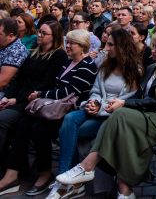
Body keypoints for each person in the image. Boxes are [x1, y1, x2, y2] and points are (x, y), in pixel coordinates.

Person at [57, 31, 156, 199]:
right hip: (138, 113)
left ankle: (86, 167)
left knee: (118, 115)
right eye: (153, 46)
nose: (151, 50)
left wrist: (122, 103)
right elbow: (138, 95)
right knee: (74, 121)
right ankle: (122, 188)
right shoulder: (152, 68)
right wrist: (98, 103)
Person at [0, 29, 97, 196]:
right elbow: (56, 85)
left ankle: (45, 174)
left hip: (68, 111)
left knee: (40, 129)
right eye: (67, 42)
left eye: (72, 43)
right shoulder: (69, 62)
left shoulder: (88, 66)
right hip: (53, 106)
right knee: (23, 123)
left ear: (83, 46)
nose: (68, 45)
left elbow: (70, 91)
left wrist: (41, 94)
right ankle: (13, 174)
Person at [49, 28, 142, 199]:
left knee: (71, 132)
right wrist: (93, 101)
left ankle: (67, 183)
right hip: (95, 108)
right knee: (69, 119)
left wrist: (99, 106)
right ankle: (64, 178)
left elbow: (125, 99)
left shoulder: (134, 71)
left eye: (111, 45)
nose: (106, 48)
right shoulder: (106, 66)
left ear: (121, 46)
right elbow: (96, 90)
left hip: (111, 116)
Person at [0, 21, 67, 158]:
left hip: (33, 100)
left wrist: (15, 100)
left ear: (54, 36)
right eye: (39, 31)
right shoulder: (34, 52)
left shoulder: (59, 55)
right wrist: (7, 97)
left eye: (44, 33)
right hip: (18, 97)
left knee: (2, 119)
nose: (39, 35)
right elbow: (19, 79)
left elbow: (45, 85)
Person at [0, 17, 29, 93]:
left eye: (0, 34)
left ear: (10, 36)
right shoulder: (3, 44)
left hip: (6, 94)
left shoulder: (16, 51)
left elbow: (2, 82)